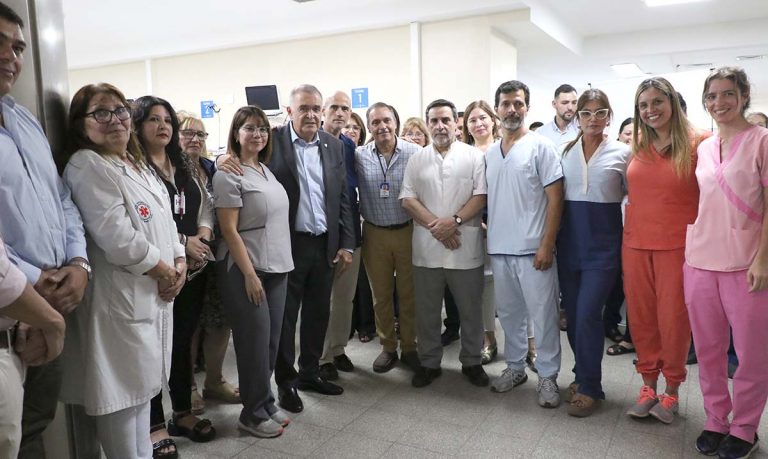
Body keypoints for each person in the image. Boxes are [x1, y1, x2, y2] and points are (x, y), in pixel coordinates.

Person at [59, 83, 186, 459]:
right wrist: (165, 271)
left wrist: (179, 262)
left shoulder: (137, 164)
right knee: (121, 410)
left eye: (120, 110)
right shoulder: (86, 164)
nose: (114, 119)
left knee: (142, 404)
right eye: (101, 112)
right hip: (118, 309)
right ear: (82, 124)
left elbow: (167, 224)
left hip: (150, 301)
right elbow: (118, 239)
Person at [0, 5, 90, 458]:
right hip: (12, 309)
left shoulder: (24, 121)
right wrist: (39, 282)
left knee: (35, 427)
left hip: (51, 300)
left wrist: (79, 263)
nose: (11, 56)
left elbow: (62, 200)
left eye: (18, 47)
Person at [685, 67, 768, 458]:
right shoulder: (705, 147)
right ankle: (716, 419)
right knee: (708, 350)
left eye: (727, 94)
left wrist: (763, 259)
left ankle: (745, 427)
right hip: (700, 262)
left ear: (743, 95)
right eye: (712, 96)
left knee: (751, 354)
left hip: (747, 265)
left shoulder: (762, 141)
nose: (719, 102)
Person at [623, 77, 710, 425]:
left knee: (673, 321)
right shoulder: (638, 144)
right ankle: (647, 386)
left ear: (672, 102)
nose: (650, 110)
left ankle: (671, 389)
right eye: (643, 105)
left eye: (657, 102)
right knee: (642, 319)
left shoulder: (700, 142)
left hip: (678, 246)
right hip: (635, 244)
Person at [132, 96, 217, 451]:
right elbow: (147, 221)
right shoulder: (135, 168)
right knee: (153, 348)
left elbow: (205, 205)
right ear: (138, 125)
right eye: (153, 119)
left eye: (167, 120)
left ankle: (181, 413)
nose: (162, 126)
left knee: (181, 343)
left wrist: (203, 237)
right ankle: (154, 425)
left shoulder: (181, 163)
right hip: (160, 272)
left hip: (192, 272)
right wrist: (185, 243)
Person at [270, 84, 356, 413]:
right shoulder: (272, 142)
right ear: (289, 111)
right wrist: (224, 159)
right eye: (303, 108)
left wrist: (346, 243)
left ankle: (309, 372)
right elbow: (240, 155)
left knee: (318, 313)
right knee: (286, 318)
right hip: (288, 244)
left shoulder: (333, 146)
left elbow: (343, 198)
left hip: (325, 245)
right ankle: (285, 382)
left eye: (315, 108)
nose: (310, 114)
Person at [213, 105, 294, 438]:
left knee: (270, 342)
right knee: (253, 343)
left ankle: (264, 401)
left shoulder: (265, 170)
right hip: (247, 268)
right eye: (249, 128)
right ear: (236, 133)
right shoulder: (228, 173)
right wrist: (249, 274)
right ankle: (251, 414)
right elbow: (229, 229)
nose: (257, 134)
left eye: (262, 128)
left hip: (278, 266)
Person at [400, 98, 488, 388]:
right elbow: (407, 199)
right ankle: (429, 362)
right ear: (428, 124)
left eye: (445, 120)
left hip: (464, 246)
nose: (440, 126)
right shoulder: (417, 159)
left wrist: (454, 222)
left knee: (470, 309)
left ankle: (472, 361)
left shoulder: (473, 156)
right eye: (434, 121)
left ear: (456, 123)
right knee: (427, 311)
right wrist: (438, 227)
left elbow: (481, 195)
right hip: (427, 249)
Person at [486, 80, 563, 408]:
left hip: (534, 250)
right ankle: (515, 367)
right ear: (497, 109)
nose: (512, 109)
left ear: (527, 108)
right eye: (506, 104)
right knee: (509, 315)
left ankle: (547, 376)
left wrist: (547, 244)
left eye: (518, 103)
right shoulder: (491, 153)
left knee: (543, 316)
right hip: (499, 249)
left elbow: (556, 199)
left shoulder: (541, 146)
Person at [556, 89, 630, 417]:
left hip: (604, 249)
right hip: (569, 246)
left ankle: (591, 386)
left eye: (600, 112)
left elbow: (635, 200)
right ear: (577, 118)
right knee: (573, 317)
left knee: (588, 314)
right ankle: (580, 374)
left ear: (609, 117)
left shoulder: (623, 154)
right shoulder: (564, 152)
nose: (593, 119)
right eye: (586, 113)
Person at [177, 113, 240, 415]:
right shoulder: (170, 169)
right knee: (189, 325)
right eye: (188, 133)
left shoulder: (211, 167)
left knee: (219, 320)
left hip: (217, 254)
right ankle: (188, 386)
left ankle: (214, 381)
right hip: (187, 256)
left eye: (200, 135)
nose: (195, 139)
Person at [356, 102, 421, 373]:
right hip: (374, 233)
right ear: (369, 127)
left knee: (409, 293)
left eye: (386, 120)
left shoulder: (415, 152)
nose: (382, 126)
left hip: (408, 231)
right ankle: (388, 347)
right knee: (380, 295)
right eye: (375, 122)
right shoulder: (358, 155)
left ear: (395, 122)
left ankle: (410, 347)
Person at [0, 237, 65, 458]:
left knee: (34, 424)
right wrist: (52, 322)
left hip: (22, 320)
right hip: (17, 317)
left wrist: (80, 264)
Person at [318, 91, 362, 381]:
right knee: (322, 300)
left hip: (350, 232)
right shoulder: (310, 141)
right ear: (324, 110)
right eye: (334, 107)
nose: (340, 113)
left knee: (345, 298)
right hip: (321, 234)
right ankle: (321, 357)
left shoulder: (348, 145)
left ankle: (338, 349)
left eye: (345, 108)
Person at [462, 100, 501, 365]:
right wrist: (477, 221)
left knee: (517, 288)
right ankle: (489, 340)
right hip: (476, 227)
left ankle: (530, 345)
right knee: (485, 286)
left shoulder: (503, 149)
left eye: (483, 118)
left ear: (493, 120)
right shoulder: (464, 154)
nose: (479, 124)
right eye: (472, 120)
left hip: (507, 227)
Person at [605, 117, 635, 357]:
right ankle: (611, 325)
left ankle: (632, 337)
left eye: (637, 133)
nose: (632, 137)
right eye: (627, 133)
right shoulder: (614, 159)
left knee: (634, 290)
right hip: (613, 234)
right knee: (614, 287)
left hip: (638, 236)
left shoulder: (642, 161)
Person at [538, 84, 580, 149]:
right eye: (565, 103)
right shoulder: (541, 133)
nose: (570, 107)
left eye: (574, 103)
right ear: (554, 104)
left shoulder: (583, 131)